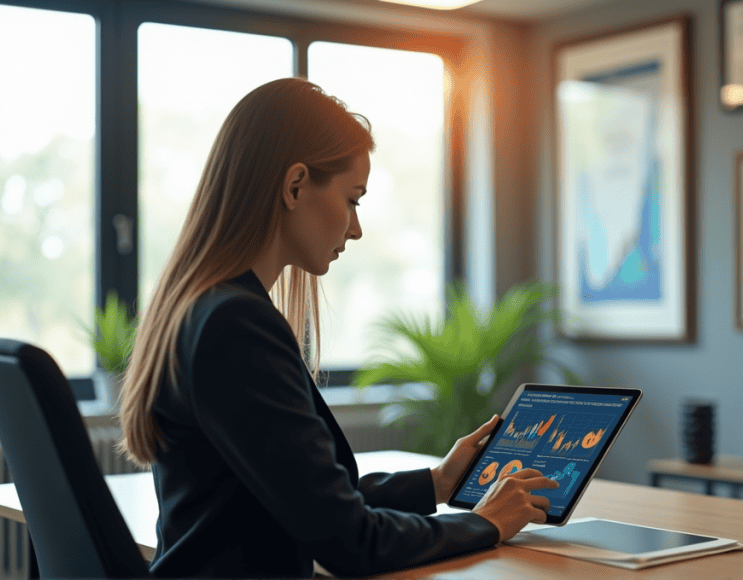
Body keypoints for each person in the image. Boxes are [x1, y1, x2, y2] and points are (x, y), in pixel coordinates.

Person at [118, 77, 558, 578]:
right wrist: (485, 524)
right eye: (352, 199)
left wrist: (436, 482)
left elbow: (306, 501)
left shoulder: (205, 308)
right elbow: (351, 543)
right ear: (295, 185)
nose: (355, 227)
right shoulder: (235, 324)